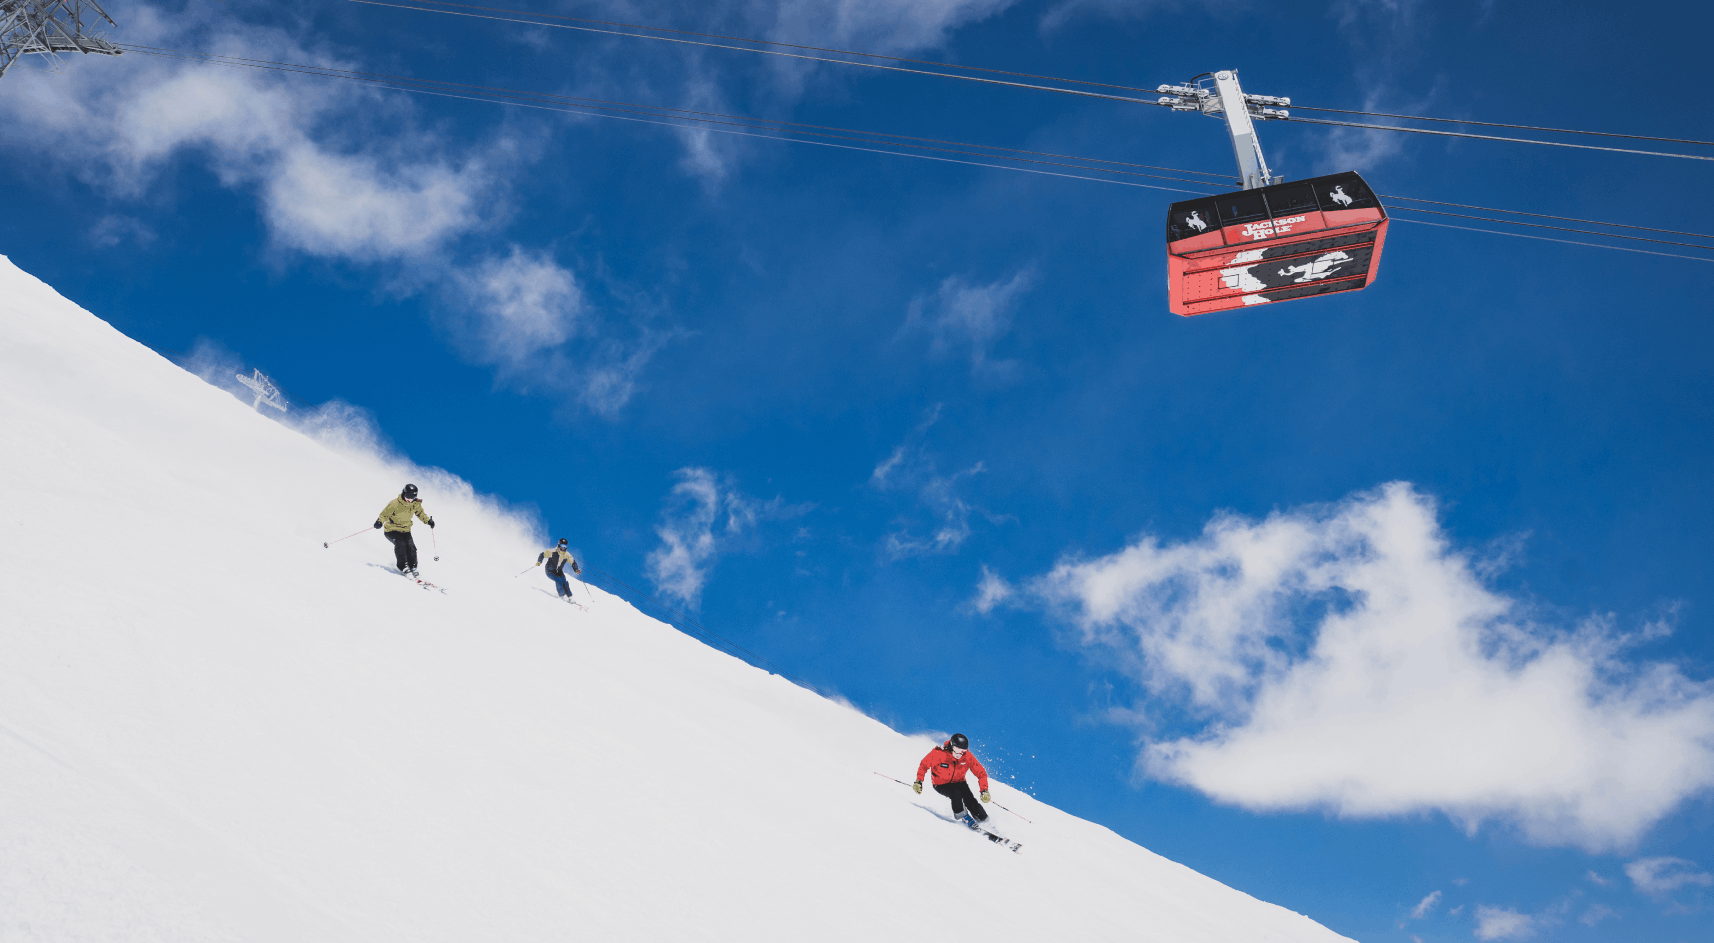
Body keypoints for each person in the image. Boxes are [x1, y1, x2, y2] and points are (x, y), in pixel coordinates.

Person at [914, 733, 992, 827]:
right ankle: (963, 816)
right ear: (951, 745)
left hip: (959, 782)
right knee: (956, 793)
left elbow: (981, 773)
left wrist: (984, 790)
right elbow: (923, 765)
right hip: (941, 784)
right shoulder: (938, 753)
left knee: (970, 800)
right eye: (957, 749)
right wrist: (919, 781)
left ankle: (985, 821)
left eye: (963, 750)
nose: (960, 753)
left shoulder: (967, 757)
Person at [374, 483, 433, 577]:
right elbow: (384, 514)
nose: (409, 499)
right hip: (391, 530)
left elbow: (421, 514)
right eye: (408, 496)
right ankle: (403, 567)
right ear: (403, 493)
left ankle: (413, 567)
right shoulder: (394, 503)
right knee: (400, 544)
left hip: (405, 530)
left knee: (411, 547)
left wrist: (428, 521)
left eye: (412, 497)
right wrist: (379, 522)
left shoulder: (415, 504)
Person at [535, 538, 581, 602]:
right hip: (550, 570)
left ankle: (570, 597)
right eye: (562, 546)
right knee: (559, 579)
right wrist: (539, 561)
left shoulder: (567, 554)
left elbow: (572, 562)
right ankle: (561, 596)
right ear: (559, 545)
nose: (563, 548)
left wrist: (576, 569)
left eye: (565, 546)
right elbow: (542, 554)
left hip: (559, 571)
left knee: (564, 580)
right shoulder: (552, 551)